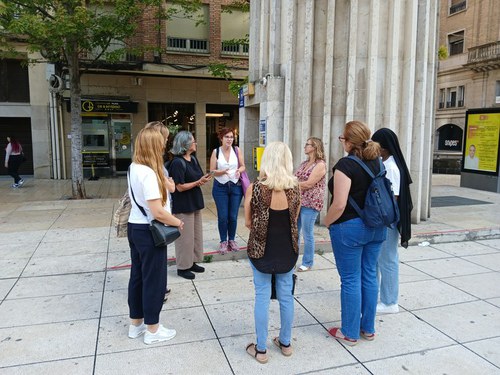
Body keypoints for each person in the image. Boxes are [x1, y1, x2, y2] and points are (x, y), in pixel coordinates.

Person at [323, 120, 387, 346]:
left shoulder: (345, 165)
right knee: (369, 275)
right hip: (377, 227)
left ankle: (349, 332)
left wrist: (327, 222)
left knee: (350, 279)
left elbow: (339, 204)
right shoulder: (377, 162)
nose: (342, 141)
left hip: (350, 228)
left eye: (342, 138)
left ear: (349, 141)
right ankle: (367, 328)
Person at [244, 142, 301, 364]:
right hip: (287, 250)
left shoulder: (256, 188)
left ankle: (261, 349)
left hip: (261, 250)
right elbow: (293, 219)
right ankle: (285, 343)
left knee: (262, 296)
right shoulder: (296, 188)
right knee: (286, 296)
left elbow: (248, 222)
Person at [127, 125, 183, 345]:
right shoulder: (149, 173)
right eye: (161, 144)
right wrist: (178, 222)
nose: (164, 147)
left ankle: (136, 324)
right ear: (153, 146)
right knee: (154, 280)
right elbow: (157, 211)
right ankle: (153, 329)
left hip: (136, 227)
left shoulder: (134, 167)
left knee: (138, 277)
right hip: (150, 232)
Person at [371, 128, 413, 314]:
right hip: (386, 220)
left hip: (388, 221)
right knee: (381, 259)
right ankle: (382, 296)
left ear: (384, 148)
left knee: (387, 259)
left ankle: (389, 302)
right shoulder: (386, 162)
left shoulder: (392, 168)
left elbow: (393, 199)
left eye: (376, 145)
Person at [168, 131, 212, 280]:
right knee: (184, 238)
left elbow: (197, 176)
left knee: (195, 236)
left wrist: (202, 179)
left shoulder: (192, 159)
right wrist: (197, 183)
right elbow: (179, 187)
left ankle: (192, 261)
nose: (196, 143)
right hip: (183, 204)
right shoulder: (177, 163)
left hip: (194, 202)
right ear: (185, 144)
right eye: (193, 141)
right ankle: (182, 266)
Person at [210, 127, 246, 254]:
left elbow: (243, 166)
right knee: (223, 216)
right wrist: (222, 172)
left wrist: (238, 170)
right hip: (220, 187)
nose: (230, 139)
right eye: (227, 137)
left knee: (233, 216)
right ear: (221, 138)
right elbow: (212, 171)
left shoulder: (237, 150)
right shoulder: (216, 152)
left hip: (235, 186)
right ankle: (223, 241)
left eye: (231, 137)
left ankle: (232, 240)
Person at [294, 137, 327, 271]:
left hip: (311, 203)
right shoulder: (304, 163)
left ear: (315, 147)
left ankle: (307, 262)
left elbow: (309, 184)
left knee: (307, 233)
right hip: (298, 201)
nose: (305, 146)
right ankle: (291, 259)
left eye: (308, 144)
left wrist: (291, 184)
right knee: (294, 232)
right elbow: (294, 177)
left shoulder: (320, 165)